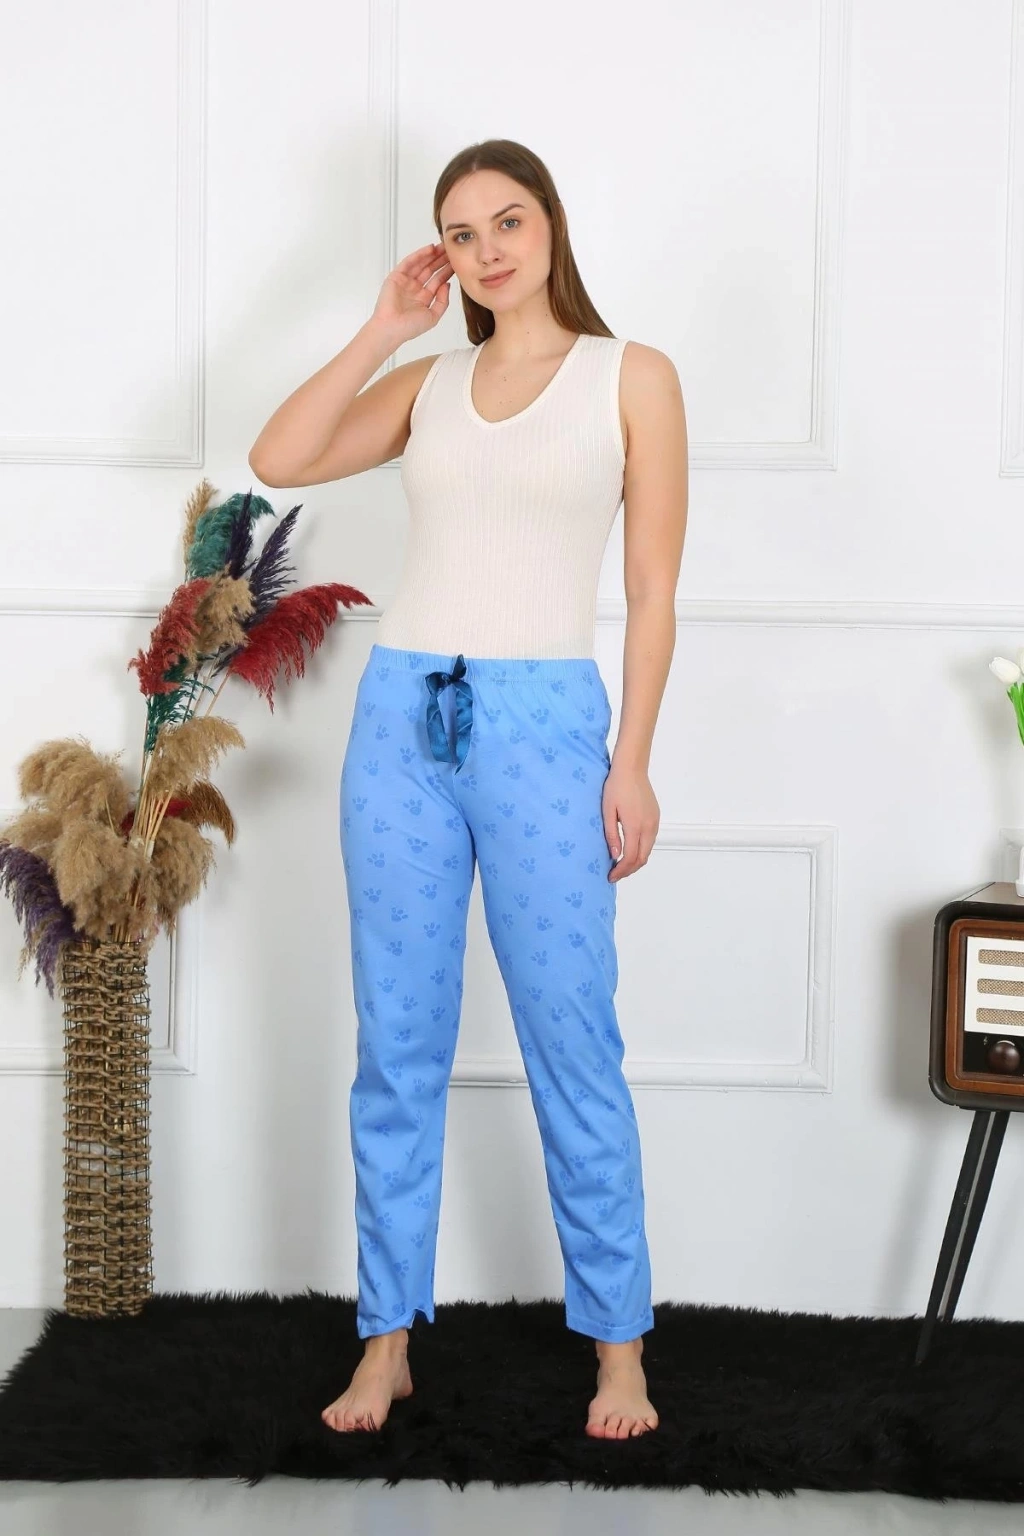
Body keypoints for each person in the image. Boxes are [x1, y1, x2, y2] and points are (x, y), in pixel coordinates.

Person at [248, 139, 688, 1440]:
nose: (487, 250)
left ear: (550, 224)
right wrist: (386, 326)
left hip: (549, 729)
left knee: (573, 1041)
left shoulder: (631, 376)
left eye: (508, 221)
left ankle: (620, 1351)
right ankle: (386, 1342)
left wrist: (632, 760)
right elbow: (281, 454)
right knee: (396, 1047)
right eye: (460, 233)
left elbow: (654, 592)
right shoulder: (428, 384)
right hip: (401, 722)